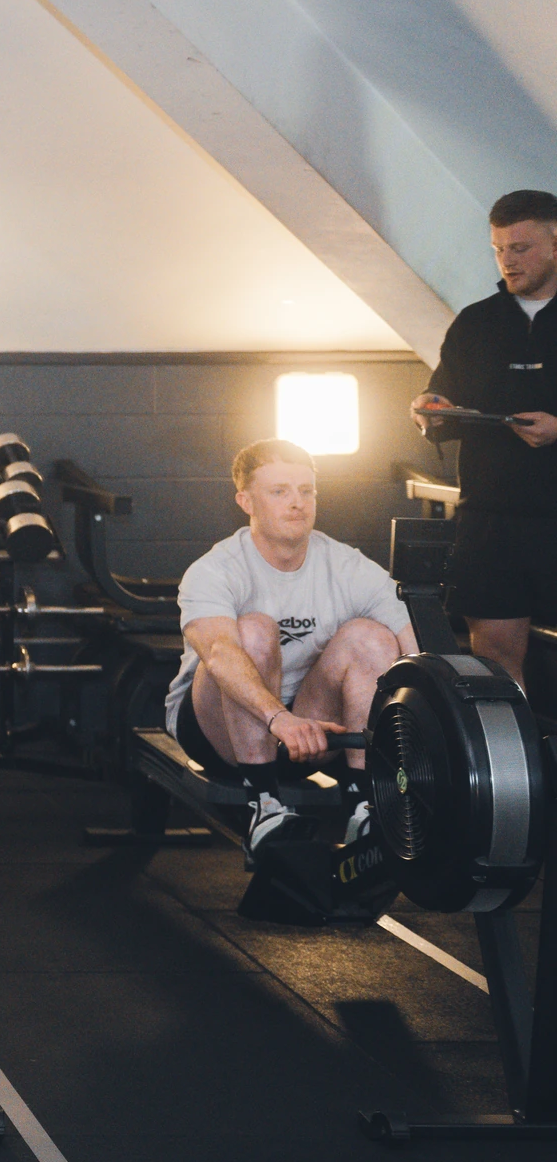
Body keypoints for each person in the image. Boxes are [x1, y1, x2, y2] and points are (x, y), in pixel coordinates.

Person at [164, 440, 415, 862]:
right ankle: (263, 808)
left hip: (310, 732)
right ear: (246, 500)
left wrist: (429, 737)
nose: (297, 503)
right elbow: (220, 654)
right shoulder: (216, 568)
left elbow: (416, 651)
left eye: (306, 490)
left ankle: (365, 805)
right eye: (279, 491)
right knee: (256, 631)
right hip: (218, 730)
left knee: (371, 637)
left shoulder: (347, 566)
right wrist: (278, 719)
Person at [411, 189, 557, 690]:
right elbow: (443, 397)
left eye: (520, 248)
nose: (507, 261)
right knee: (493, 661)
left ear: (556, 245)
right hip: (491, 517)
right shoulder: (477, 323)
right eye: (498, 249)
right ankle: (513, 763)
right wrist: (428, 409)